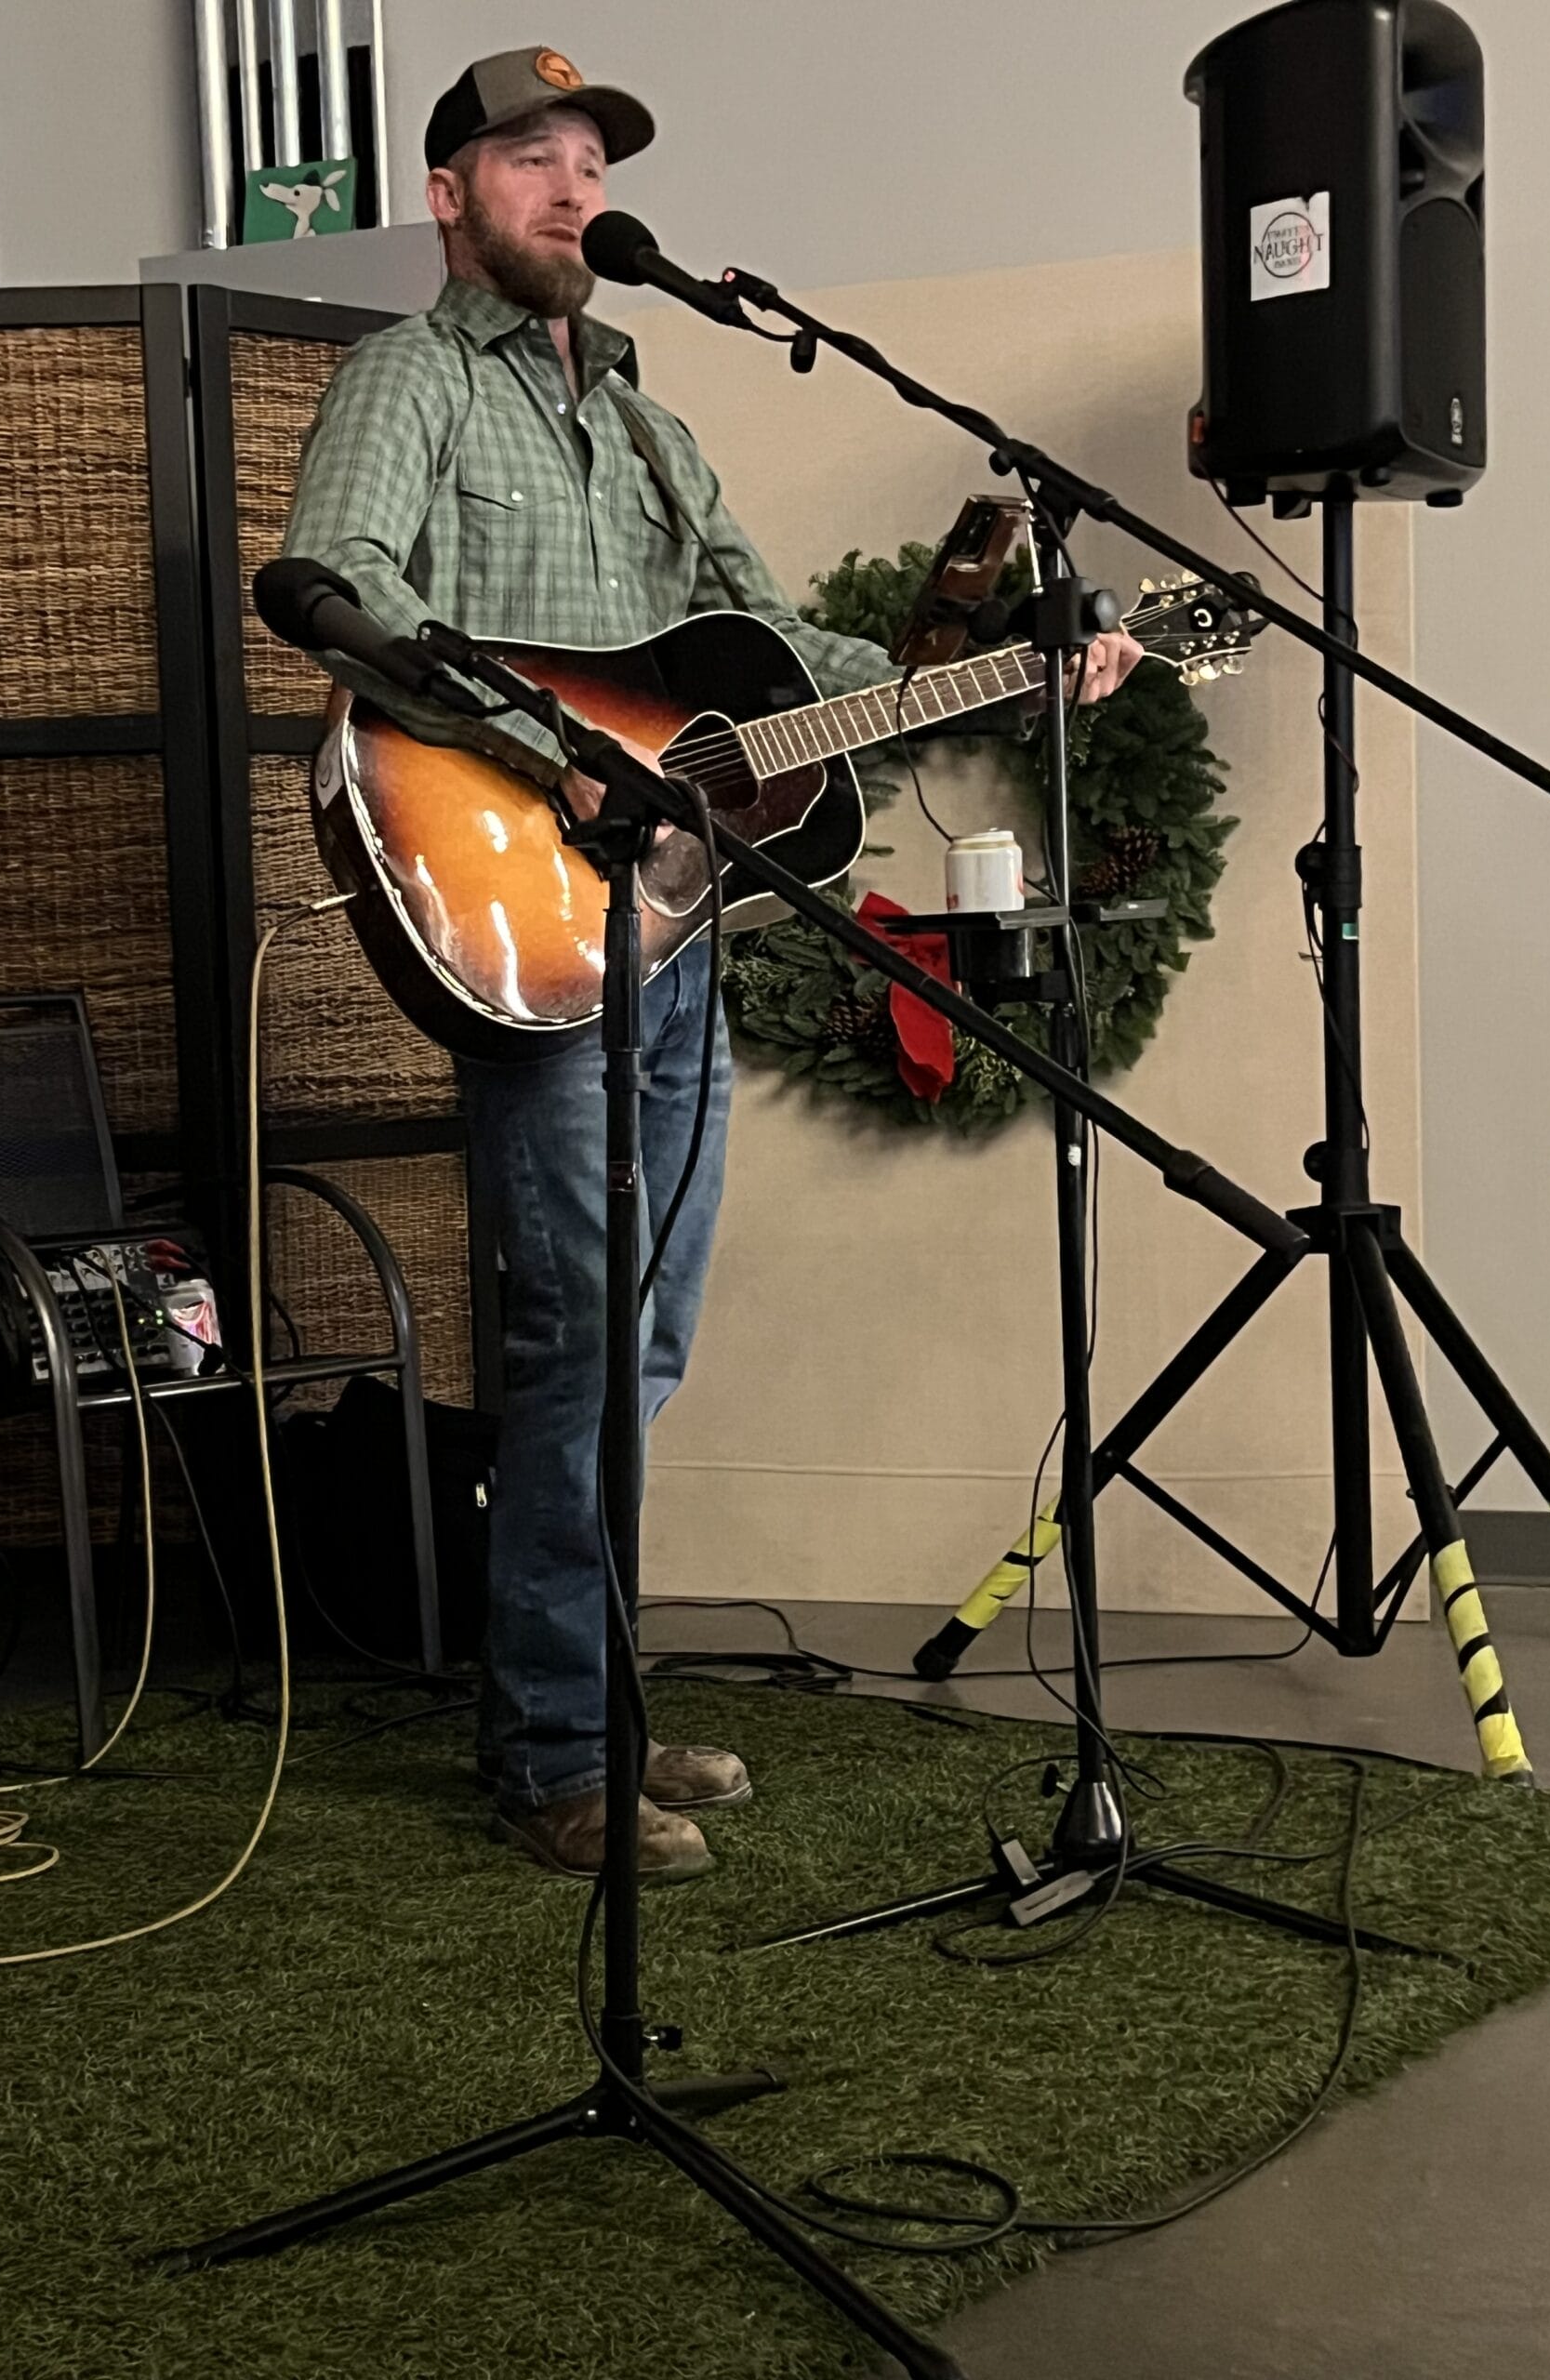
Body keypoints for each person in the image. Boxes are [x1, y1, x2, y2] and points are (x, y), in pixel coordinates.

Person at [284, 45, 1141, 1883]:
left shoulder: (655, 423)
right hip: (527, 888)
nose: (572, 185)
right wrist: (555, 751)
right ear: (451, 194)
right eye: (531, 156)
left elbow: (786, 649)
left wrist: (1017, 661)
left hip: (673, 925)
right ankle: (553, 1754)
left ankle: (591, 1695)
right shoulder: (408, 379)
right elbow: (336, 585)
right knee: (578, 1332)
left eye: (591, 159)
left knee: (642, 1336)